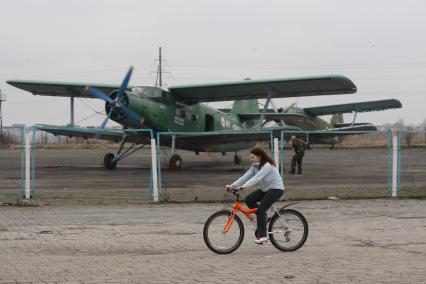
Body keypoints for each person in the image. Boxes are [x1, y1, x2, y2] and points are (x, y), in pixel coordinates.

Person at [225, 147, 284, 244]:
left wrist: (242, 187)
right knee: (249, 200)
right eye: (250, 157)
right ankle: (263, 218)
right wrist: (232, 185)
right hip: (266, 190)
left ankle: (263, 236)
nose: (251, 159)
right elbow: (245, 176)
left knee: (260, 210)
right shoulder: (255, 166)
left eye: (253, 157)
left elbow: (256, 178)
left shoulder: (267, 166)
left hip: (276, 189)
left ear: (259, 157)